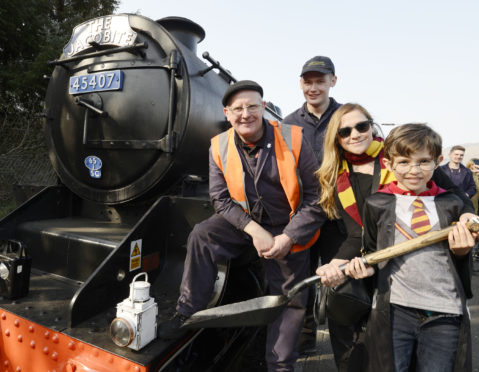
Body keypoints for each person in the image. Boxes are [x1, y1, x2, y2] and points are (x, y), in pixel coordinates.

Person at [158, 80, 325, 372]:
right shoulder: (218, 146)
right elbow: (219, 199)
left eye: (251, 106)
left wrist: (288, 236)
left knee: (289, 299)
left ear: (263, 107)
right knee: (202, 234)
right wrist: (253, 230)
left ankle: (281, 365)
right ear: (227, 113)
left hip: (289, 226)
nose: (245, 114)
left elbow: (316, 198)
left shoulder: (295, 139)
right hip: (246, 223)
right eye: (237, 109)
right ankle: (188, 311)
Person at [314, 105, 476, 371]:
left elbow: (458, 201)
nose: (355, 134)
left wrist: (469, 222)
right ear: (336, 137)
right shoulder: (336, 175)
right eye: (345, 131)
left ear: (371, 125)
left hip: (437, 299)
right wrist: (339, 264)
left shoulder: (404, 151)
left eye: (361, 126)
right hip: (385, 288)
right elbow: (361, 234)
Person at [283, 56, 344, 352]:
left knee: (339, 277)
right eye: (308, 82)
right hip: (304, 215)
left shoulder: (347, 118)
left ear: (333, 81)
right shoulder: (288, 124)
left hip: (339, 216)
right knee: (303, 278)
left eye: (320, 81)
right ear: (300, 84)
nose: (314, 87)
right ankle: (305, 335)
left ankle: (344, 338)